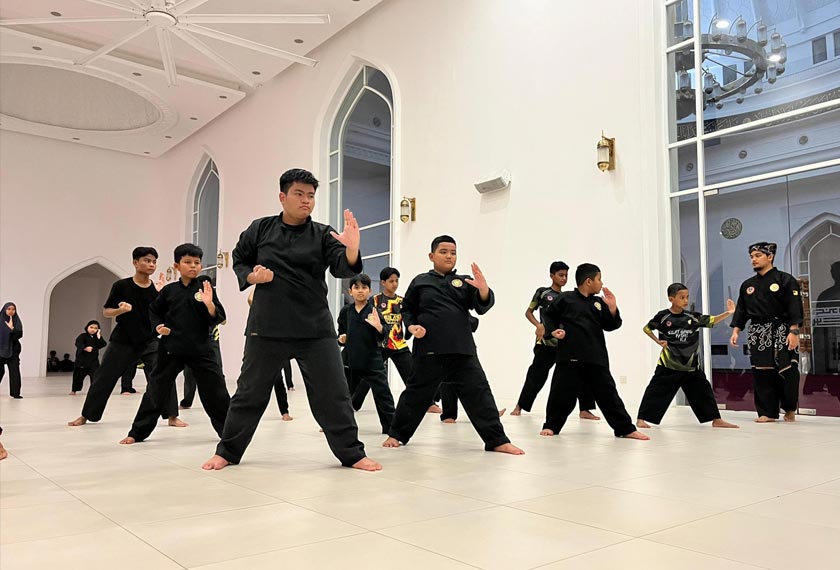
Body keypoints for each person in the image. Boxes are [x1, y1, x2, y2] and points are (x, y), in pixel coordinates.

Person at [202, 168, 380, 471]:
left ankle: (352, 453)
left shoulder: (323, 234)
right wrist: (252, 276)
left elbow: (343, 269)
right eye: (299, 194)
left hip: (315, 328)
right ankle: (228, 452)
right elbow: (240, 258)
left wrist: (351, 248)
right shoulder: (261, 229)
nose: (306, 201)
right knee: (249, 393)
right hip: (267, 327)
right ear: (283, 196)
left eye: (311, 196)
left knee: (334, 395)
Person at [382, 235, 524, 455]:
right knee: (416, 394)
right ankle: (397, 434)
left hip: (462, 350)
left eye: (453, 252)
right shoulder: (421, 281)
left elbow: (481, 306)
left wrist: (484, 290)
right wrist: (411, 327)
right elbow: (407, 309)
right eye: (444, 251)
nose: (449, 256)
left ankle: (497, 440)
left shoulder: (465, 282)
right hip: (429, 349)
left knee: (479, 393)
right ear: (432, 256)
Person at [120, 244, 230, 445]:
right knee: (156, 389)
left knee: (216, 392)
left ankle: (229, 434)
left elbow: (218, 317)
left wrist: (209, 303)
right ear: (177, 265)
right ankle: (137, 432)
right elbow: (154, 312)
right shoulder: (169, 291)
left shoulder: (205, 286)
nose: (193, 266)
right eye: (188, 262)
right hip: (171, 348)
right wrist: (159, 327)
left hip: (202, 348)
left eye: (197, 263)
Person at [68, 248, 183, 428]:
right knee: (104, 378)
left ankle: (171, 416)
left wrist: (161, 295)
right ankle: (86, 415)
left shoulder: (158, 289)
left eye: (154, 261)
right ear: (135, 262)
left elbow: (165, 315)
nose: (151, 264)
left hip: (150, 340)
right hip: (123, 340)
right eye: (147, 260)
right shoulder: (121, 286)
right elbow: (106, 311)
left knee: (164, 375)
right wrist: (120, 310)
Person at [540, 263, 649, 441]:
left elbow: (611, 325)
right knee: (560, 394)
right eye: (599, 279)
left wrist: (612, 307)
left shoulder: (598, 303)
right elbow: (548, 316)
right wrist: (552, 331)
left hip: (595, 357)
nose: (601, 283)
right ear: (588, 281)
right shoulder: (566, 298)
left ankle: (625, 428)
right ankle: (551, 426)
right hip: (569, 357)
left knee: (609, 395)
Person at [636, 283, 739, 429]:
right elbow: (647, 328)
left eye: (687, 297)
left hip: (691, 366)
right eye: (682, 297)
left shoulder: (693, 317)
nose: (686, 300)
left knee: (703, 391)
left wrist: (729, 312)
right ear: (671, 299)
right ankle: (642, 419)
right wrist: (658, 341)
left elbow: (712, 320)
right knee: (655, 391)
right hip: (669, 364)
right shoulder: (663, 316)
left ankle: (716, 419)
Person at [511, 261, 599, 419]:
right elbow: (529, 312)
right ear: (552, 275)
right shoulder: (542, 293)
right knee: (536, 374)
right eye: (560, 275)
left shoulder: (568, 297)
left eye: (566, 275)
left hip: (566, 344)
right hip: (546, 342)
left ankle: (585, 409)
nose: (564, 278)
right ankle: (520, 405)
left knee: (582, 373)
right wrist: (539, 325)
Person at [730, 242, 804, 423]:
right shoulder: (748, 285)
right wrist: (736, 330)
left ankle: (789, 408)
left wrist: (794, 331)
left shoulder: (785, 280)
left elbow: (794, 307)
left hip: (782, 330)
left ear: (769, 257)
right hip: (758, 332)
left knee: (787, 369)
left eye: (757, 256)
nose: (753, 260)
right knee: (762, 372)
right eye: (751, 257)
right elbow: (741, 310)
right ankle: (767, 412)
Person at [351, 267, 442, 415]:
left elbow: (408, 319)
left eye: (396, 281)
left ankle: (428, 403)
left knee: (413, 374)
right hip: (380, 344)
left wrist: (414, 330)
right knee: (368, 377)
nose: (394, 284)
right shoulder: (374, 301)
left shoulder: (402, 302)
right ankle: (354, 405)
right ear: (383, 282)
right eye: (391, 281)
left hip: (398, 344)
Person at [338, 274, 395, 434]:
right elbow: (341, 331)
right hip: (350, 360)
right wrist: (341, 338)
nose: (360, 291)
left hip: (372, 361)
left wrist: (379, 327)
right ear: (350, 291)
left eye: (364, 288)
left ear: (370, 291)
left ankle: (391, 428)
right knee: (343, 395)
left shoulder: (374, 311)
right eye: (356, 287)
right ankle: (337, 425)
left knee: (383, 395)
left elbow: (385, 333)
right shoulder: (346, 311)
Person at [70, 320, 107, 395]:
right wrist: (85, 348)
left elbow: (103, 344)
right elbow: (78, 343)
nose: (93, 329)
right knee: (78, 377)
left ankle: (94, 391)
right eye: (91, 327)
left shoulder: (96, 337)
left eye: (96, 328)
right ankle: (74, 390)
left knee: (96, 376)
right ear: (87, 327)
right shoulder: (82, 336)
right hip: (82, 361)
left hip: (93, 362)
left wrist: (99, 336)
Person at [1, 302, 23, 399]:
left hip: (13, 350)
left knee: (14, 372)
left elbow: (19, 335)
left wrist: (12, 329)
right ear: (5, 310)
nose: (11, 311)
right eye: (9, 309)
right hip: (0, 350)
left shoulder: (16, 321)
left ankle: (15, 393)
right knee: (0, 371)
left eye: (13, 309)